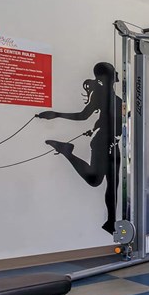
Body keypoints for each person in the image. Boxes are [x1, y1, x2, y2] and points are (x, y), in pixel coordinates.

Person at [39, 62, 120, 233]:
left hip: (115, 143)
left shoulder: (115, 97)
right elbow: (83, 116)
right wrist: (56, 114)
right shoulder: (100, 94)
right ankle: (67, 151)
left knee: (113, 185)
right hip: (102, 142)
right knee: (95, 180)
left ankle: (112, 222)